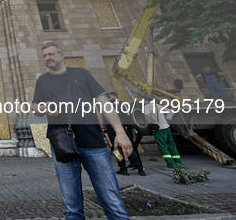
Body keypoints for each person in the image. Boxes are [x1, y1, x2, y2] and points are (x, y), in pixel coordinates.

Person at [32, 41, 132, 220]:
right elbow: (35, 108)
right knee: (72, 206)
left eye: (51, 54)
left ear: (61, 55)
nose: (48, 58)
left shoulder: (81, 73)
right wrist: (44, 107)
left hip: (93, 141)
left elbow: (104, 103)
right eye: (45, 56)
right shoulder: (42, 80)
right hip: (62, 144)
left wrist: (120, 131)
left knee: (112, 201)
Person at [103, 92, 146, 177]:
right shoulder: (122, 104)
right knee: (130, 147)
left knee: (116, 149)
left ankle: (123, 168)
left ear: (111, 97)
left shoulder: (107, 105)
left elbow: (103, 117)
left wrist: (104, 127)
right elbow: (128, 115)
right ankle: (140, 168)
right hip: (123, 127)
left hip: (112, 127)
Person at [142, 94, 183, 169]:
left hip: (159, 130)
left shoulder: (147, 106)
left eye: (143, 100)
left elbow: (147, 115)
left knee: (163, 147)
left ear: (146, 100)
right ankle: (179, 164)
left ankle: (171, 165)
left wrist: (150, 122)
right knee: (172, 146)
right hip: (167, 128)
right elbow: (171, 112)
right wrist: (167, 119)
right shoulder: (158, 105)